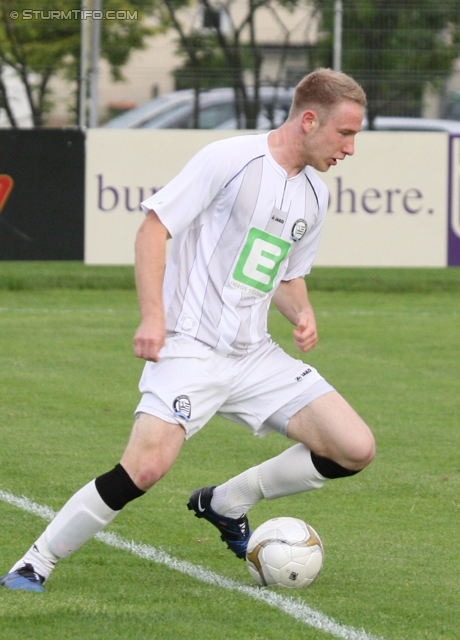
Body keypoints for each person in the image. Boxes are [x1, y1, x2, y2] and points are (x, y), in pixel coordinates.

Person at [1, 68, 375, 592]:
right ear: (309, 120)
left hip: (255, 355)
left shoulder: (315, 194)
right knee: (146, 467)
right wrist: (154, 317)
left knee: (354, 447)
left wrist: (302, 311)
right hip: (191, 347)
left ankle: (227, 502)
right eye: (346, 133)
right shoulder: (229, 160)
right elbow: (155, 228)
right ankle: (34, 561)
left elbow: (285, 273)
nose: (350, 148)